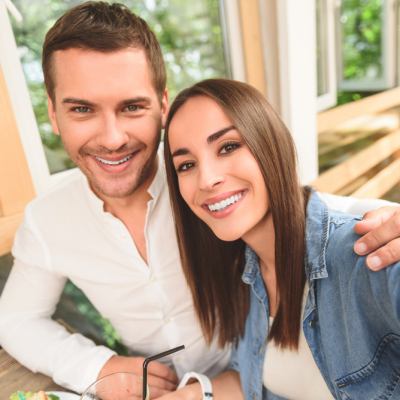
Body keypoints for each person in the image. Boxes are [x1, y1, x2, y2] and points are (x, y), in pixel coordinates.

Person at [0, 1, 399, 397]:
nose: (112, 138)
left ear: (161, 105)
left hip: (256, 369)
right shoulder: (49, 221)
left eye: (132, 107)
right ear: (53, 113)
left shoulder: (204, 186)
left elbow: (301, 213)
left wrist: (384, 217)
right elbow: (15, 319)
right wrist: (97, 367)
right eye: (83, 109)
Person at [162, 78, 400, 400]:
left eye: (228, 147)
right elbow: (257, 380)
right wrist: (192, 395)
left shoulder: (363, 254)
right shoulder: (243, 272)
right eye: (186, 165)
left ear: (270, 144)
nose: (207, 179)